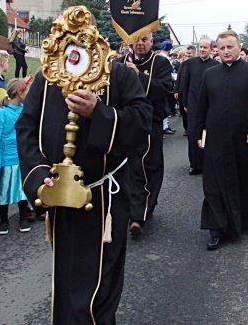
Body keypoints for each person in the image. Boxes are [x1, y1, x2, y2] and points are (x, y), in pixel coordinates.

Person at [16, 41, 151, 322]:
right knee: (67, 283)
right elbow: (26, 128)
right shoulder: (46, 76)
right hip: (60, 198)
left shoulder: (118, 74)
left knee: (98, 289)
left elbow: (141, 123)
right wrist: (40, 179)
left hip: (104, 200)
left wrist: (99, 112)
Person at [193, 30, 248, 251]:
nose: (226, 51)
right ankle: (216, 228)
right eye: (222, 48)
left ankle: (241, 222)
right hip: (215, 141)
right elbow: (201, 108)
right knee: (214, 185)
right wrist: (198, 135)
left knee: (241, 183)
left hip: (243, 142)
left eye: (230, 47)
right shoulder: (210, 74)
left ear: (239, 47)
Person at [120, 32, 172, 239]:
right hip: (127, 122)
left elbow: (164, 88)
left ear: (151, 42)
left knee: (149, 165)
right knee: (128, 166)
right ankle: (134, 211)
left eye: (145, 40)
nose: (140, 44)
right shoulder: (120, 61)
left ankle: (142, 211)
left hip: (152, 122)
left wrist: (139, 76)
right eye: (137, 40)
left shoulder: (160, 63)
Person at [0, 78, 33, 234]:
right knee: (4, 190)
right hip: (6, 159)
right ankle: (3, 220)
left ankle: (23, 218)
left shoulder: (24, 110)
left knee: (22, 190)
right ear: (20, 92)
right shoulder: (0, 113)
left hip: (22, 158)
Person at [177, 37, 218, 175]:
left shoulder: (216, 65)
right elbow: (184, 85)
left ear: (211, 49)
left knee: (209, 134)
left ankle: (208, 163)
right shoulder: (189, 64)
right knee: (193, 134)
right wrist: (185, 104)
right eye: (200, 47)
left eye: (205, 47)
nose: (202, 49)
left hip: (210, 106)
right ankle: (194, 164)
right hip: (193, 105)